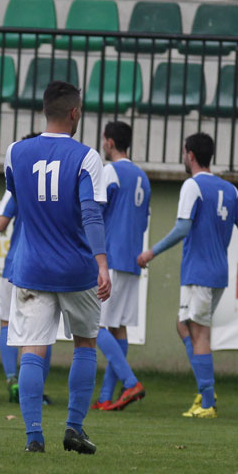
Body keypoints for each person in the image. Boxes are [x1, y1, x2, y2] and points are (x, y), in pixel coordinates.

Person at [5, 81, 111, 454]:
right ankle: (74, 428)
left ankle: (34, 436)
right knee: (85, 342)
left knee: (33, 348)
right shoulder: (87, 157)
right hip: (76, 268)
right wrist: (102, 263)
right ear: (75, 112)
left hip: (30, 266)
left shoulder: (15, 151)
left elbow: (18, 197)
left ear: (44, 110)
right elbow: (91, 212)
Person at [137, 133, 238, 419]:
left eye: (184, 153)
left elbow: (182, 228)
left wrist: (150, 253)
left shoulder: (192, 186)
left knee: (199, 332)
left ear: (190, 154)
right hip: (216, 272)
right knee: (184, 326)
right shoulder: (230, 189)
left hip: (200, 273)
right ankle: (205, 390)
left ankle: (208, 402)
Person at [0, 134, 53, 405]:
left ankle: (12, 380)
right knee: (44, 330)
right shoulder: (59, 184)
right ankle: (36, 388)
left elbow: (1, 223)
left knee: (7, 322)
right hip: (50, 265)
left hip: (18, 264)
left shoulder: (19, 183)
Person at [93, 121, 147, 412]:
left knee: (95, 325)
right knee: (118, 328)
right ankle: (105, 397)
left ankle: (130, 382)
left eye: (104, 140)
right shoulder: (143, 176)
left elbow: (96, 212)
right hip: (132, 259)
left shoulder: (110, 170)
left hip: (111, 258)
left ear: (110, 142)